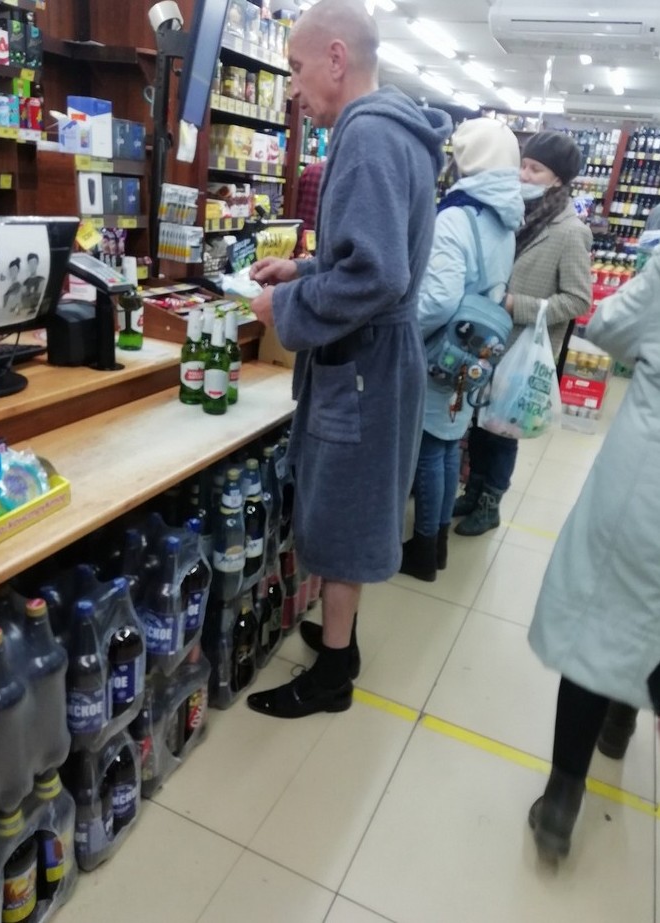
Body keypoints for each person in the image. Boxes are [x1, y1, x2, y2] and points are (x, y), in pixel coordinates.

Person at [245, 0, 451, 718]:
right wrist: (304, 271)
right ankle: (344, 641)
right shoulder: (397, 130)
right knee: (351, 505)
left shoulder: (366, 135)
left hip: (363, 364)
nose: (294, 87)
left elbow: (376, 275)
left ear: (336, 58)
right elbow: (374, 257)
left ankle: (333, 674)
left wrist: (285, 306)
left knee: (342, 515)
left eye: (297, 68)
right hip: (377, 360)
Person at [527, 247, 660, 860]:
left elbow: (606, 325)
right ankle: (623, 718)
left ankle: (562, 797)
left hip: (644, 485)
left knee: (601, 617)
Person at [399, 118, 523, 582]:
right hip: (475, 350)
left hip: (441, 348)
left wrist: (403, 334)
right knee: (451, 443)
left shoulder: (456, 217)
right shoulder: (503, 218)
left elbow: (437, 300)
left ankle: (423, 550)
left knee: (429, 449)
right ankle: (438, 543)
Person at [455, 131, 593, 536]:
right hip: (489, 342)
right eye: (524, 165)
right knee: (479, 422)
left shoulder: (570, 231)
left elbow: (578, 299)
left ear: (558, 179)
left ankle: (490, 504)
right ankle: (473, 490)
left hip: (522, 349)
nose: (524, 175)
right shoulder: (512, 214)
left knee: (503, 430)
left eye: (536, 169)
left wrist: (520, 305)